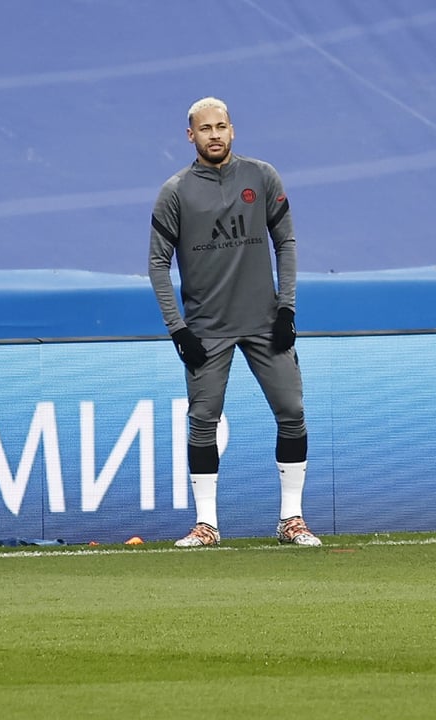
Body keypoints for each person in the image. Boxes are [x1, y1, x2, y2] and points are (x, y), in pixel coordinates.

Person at [148, 97, 320, 548]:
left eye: (221, 126)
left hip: (265, 322)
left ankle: (292, 520)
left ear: (232, 129)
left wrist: (287, 309)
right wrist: (178, 329)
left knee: (292, 412)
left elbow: (286, 242)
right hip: (206, 328)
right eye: (205, 129)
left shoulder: (262, 177)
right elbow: (157, 264)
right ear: (191, 135)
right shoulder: (175, 192)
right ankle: (206, 525)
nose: (215, 135)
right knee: (203, 421)